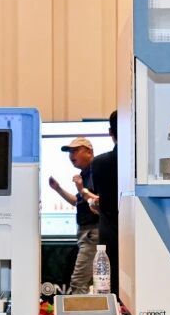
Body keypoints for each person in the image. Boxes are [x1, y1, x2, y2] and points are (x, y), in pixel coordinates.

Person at [48, 138, 98, 293]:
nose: (71, 155)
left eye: (75, 150)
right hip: (87, 232)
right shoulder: (86, 173)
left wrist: (81, 189)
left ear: (89, 151)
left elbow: (97, 202)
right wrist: (58, 189)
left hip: (93, 232)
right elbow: (79, 202)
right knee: (91, 283)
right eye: (69, 152)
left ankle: (80, 310)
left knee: (78, 282)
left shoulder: (97, 171)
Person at [87, 112, 119, 294]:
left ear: (110, 132)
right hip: (141, 235)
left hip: (110, 235)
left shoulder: (99, 163)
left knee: (111, 290)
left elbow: (102, 197)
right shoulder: (142, 163)